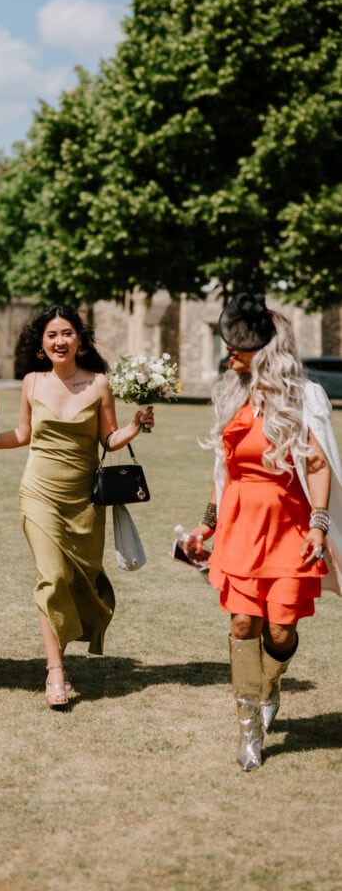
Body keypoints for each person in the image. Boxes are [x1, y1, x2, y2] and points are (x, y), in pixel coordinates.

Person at [185, 293, 342, 770]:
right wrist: (206, 523)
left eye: (240, 346)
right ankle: (249, 725)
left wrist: (318, 526)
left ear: (267, 348)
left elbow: (317, 464)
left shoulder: (304, 397)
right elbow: (223, 469)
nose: (230, 354)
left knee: (279, 629)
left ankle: (271, 682)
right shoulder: (230, 394)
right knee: (241, 622)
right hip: (240, 524)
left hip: (290, 525)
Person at [0, 305, 155, 708]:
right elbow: (21, 433)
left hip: (83, 499)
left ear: (79, 340)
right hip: (38, 493)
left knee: (75, 578)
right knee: (51, 576)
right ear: (42, 344)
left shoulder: (99, 384)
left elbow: (109, 439)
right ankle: (55, 672)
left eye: (66, 333)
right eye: (52, 335)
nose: (59, 341)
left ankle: (63, 652)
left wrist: (135, 426)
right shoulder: (32, 382)